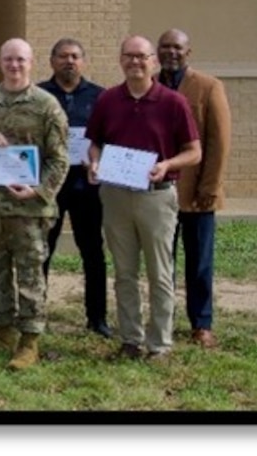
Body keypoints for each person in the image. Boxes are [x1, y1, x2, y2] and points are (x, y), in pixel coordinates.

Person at [87, 35, 201, 360]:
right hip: (116, 195)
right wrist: (94, 160)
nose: (135, 62)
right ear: (120, 60)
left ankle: (160, 343)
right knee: (124, 272)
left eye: (142, 56)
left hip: (157, 197)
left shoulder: (173, 102)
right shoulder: (108, 99)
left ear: (153, 61)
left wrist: (167, 164)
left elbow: (194, 152)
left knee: (159, 273)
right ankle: (131, 339)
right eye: (129, 56)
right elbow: (95, 142)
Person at [0, 38, 70, 370]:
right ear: (0, 61)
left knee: (30, 275)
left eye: (20, 59)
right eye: (8, 59)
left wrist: (38, 191)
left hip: (29, 210)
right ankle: (1, 333)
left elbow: (59, 160)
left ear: (31, 62)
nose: (14, 65)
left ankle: (29, 341)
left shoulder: (45, 105)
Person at [157, 28, 232, 350]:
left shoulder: (208, 87)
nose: (171, 52)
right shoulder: (149, 86)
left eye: (177, 47)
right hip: (157, 192)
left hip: (196, 193)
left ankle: (201, 323)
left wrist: (210, 186)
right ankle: (164, 320)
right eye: (165, 47)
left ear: (188, 53)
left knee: (199, 262)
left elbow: (219, 142)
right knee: (163, 261)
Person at [38, 38, 111, 338]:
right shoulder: (39, 95)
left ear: (84, 61)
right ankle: (35, 314)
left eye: (75, 56)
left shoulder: (101, 97)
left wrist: (101, 160)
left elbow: (109, 138)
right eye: (63, 56)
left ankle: (97, 318)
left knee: (93, 252)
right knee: (41, 251)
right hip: (49, 186)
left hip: (87, 185)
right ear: (52, 60)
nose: (69, 61)